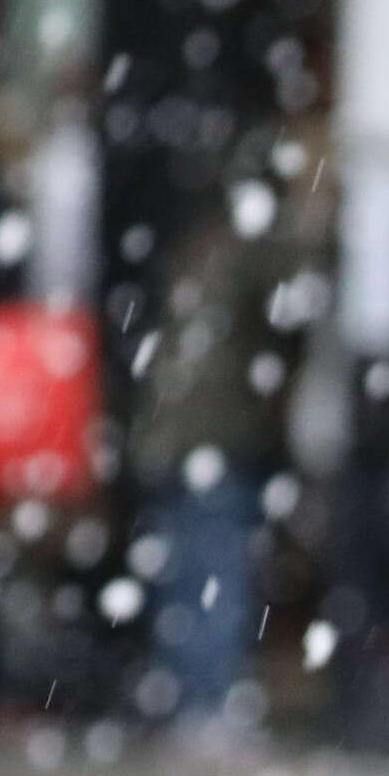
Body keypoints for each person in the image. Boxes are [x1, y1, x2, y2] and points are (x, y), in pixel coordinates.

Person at [135, 121, 331, 736]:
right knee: (215, 571)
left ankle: (193, 698)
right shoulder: (256, 247)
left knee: (195, 571)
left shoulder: (208, 243)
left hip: (181, 433)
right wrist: (315, 221)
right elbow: (294, 299)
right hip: (212, 435)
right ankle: (206, 702)